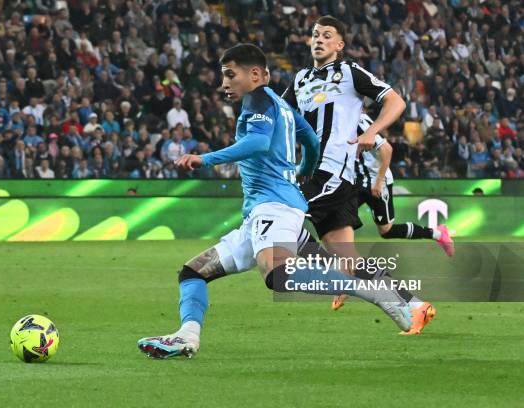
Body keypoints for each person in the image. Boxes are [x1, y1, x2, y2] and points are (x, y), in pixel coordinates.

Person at [137, 44, 413, 359]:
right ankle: (187, 336)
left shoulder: (256, 100)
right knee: (193, 272)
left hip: (274, 207)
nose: (224, 83)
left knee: (277, 275)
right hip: (266, 211)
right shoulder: (280, 105)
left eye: (230, 75)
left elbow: (258, 142)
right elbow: (309, 137)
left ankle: (371, 291)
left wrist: (205, 158)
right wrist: (304, 172)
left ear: (254, 74)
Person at [280, 16, 437, 332]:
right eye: (315, 35)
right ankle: (416, 305)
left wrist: (373, 131)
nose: (319, 39)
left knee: (281, 214)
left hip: (333, 175)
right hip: (315, 175)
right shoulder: (299, 80)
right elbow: (279, 120)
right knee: (348, 262)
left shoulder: (349, 73)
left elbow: (395, 101)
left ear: (339, 45)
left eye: (327, 35)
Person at [355, 113, 454, 251]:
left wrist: (378, 181)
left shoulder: (358, 120)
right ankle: (339, 261)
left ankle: (438, 234)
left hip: (375, 181)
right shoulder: (337, 122)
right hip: (354, 182)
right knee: (339, 219)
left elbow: (387, 149)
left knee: (386, 231)